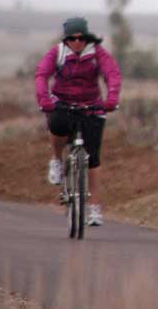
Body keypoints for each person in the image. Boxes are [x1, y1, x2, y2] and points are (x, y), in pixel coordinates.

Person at [34, 17, 122, 227]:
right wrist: (44, 99)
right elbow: (42, 75)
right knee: (56, 124)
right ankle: (56, 160)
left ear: (86, 37)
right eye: (72, 39)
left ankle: (94, 208)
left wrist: (112, 98)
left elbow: (112, 74)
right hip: (63, 103)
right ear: (66, 40)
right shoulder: (57, 53)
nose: (77, 42)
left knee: (92, 158)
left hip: (91, 105)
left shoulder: (96, 53)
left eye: (81, 38)